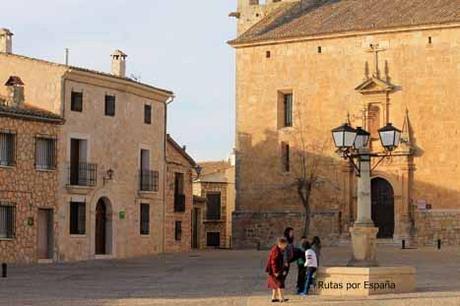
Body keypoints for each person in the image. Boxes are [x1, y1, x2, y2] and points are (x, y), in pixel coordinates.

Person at [265, 237, 289, 303]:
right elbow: (273, 262)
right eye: (285, 244)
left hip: (276, 269)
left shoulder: (278, 249)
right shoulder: (276, 251)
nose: (285, 246)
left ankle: (273, 297)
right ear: (280, 244)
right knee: (280, 283)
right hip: (275, 270)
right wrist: (275, 271)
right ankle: (281, 298)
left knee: (274, 284)